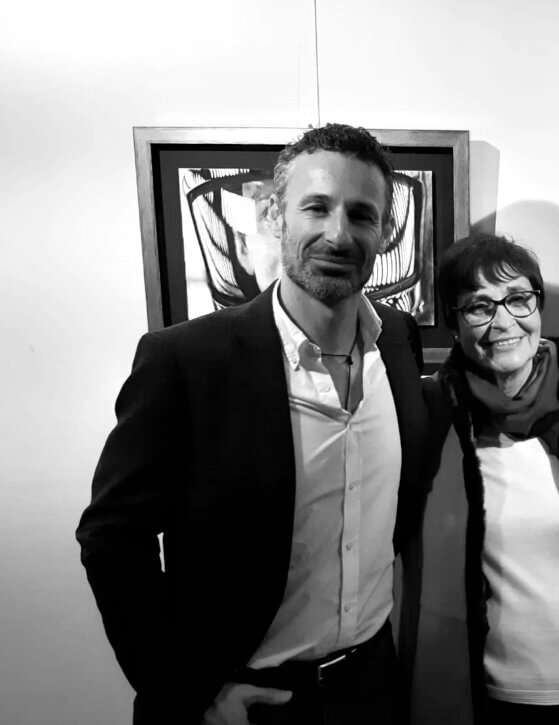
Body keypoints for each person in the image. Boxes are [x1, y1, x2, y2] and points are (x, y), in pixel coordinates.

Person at [77, 124, 429, 725]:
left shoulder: (397, 342)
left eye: (361, 214)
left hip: (371, 687)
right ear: (273, 215)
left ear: (383, 229)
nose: (338, 233)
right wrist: (192, 693)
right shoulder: (187, 360)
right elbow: (113, 539)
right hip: (243, 701)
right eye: (316, 207)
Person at [399, 233, 559, 725]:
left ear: (538, 304)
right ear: (455, 323)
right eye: (478, 307)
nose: (503, 321)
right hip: (481, 694)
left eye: (518, 299)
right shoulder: (431, 417)